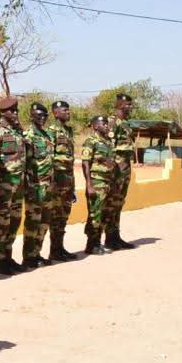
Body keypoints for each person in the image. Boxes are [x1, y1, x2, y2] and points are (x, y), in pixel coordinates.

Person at [0, 97, 28, 276]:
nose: (15, 113)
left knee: (14, 221)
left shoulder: (17, 131)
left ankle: (8, 256)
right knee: (2, 223)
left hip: (18, 184)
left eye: (16, 110)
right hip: (4, 185)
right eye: (11, 111)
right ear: (2, 112)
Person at [22, 102, 55, 268]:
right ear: (31, 116)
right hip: (35, 186)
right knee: (32, 222)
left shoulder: (47, 135)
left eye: (45, 115)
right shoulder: (28, 135)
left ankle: (37, 253)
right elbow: (25, 162)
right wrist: (28, 186)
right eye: (39, 115)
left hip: (48, 186)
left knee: (45, 221)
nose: (42, 118)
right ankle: (29, 257)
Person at [105, 93, 137, 250]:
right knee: (111, 204)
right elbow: (108, 147)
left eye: (130, 104)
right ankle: (108, 238)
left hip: (125, 170)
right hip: (116, 170)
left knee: (119, 203)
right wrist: (113, 170)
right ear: (119, 104)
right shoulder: (112, 122)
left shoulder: (126, 124)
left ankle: (115, 237)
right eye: (127, 104)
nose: (130, 107)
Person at [47, 100, 77, 261]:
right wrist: (52, 183)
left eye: (68, 110)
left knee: (64, 216)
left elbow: (70, 159)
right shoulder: (51, 131)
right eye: (65, 110)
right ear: (55, 113)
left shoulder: (69, 131)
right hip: (57, 181)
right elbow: (49, 158)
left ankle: (59, 248)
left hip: (68, 180)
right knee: (55, 216)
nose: (68, 112)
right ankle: (54, 250)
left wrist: (73, 185)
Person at [82, 115, 116, 255]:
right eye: (104, 123)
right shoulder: (91, 141)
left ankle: (97, 242)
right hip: (96, 182)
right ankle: (91, 245)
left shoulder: (108, 142)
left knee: (104, 214)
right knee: (95, 214)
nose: (107, 126)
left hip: (108, 182)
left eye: (107, 123)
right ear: (95, 126)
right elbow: (85, 163)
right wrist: (89, 185)